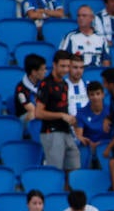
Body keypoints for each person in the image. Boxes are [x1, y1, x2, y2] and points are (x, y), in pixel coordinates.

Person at [31, 49, 80, 178]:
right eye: (62, 66)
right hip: (51, 132)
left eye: (68, 66)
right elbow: (38, 113)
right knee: (55, 171)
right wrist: (61, 116)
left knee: (74, 168)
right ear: (54, 65)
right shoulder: (46, 84)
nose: (65, 69)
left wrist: (71, 120)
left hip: (65, 131)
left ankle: (70, 195)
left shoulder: (65, 84)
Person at [74, 79, 110, 167]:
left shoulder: (111, 111)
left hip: (107, 146)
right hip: (89, 147)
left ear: (103, 95)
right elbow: (79, 135)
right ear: (88, 96)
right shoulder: (81, 113)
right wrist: (89, 143)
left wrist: (101, 144)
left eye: (98, 94)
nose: (95, 97)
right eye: (92, 94)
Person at [13, 52, 45, 123]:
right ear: (34, 72)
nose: (45, 72)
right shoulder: (21, 88)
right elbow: (32, 109)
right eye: (42, 70)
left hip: (42, 114)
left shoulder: (45, 83)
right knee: (33, 114)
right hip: (25, 118)